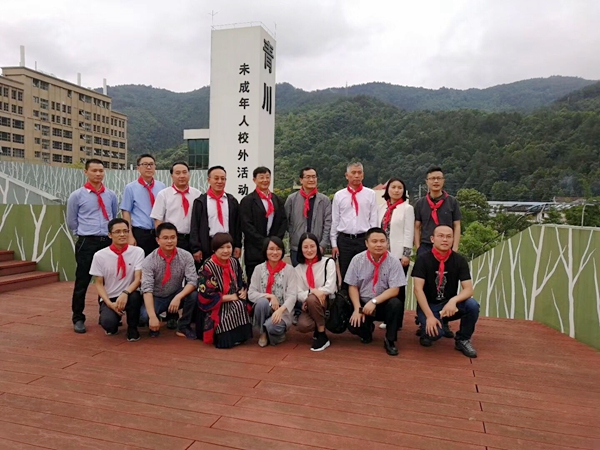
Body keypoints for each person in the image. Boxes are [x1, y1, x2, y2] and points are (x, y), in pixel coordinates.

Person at [67, 158, 118, 334]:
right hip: (87, 242)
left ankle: (107, 314)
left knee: (108, 280)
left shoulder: (110, 195)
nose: (98, 174)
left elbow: (113, 216)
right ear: (86, 172)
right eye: (94, 170)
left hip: (107, 242)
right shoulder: (77, 196)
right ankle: (78, 318)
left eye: (101, 171)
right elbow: (71, 221)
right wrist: (83, 233)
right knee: (82, 280)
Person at [411, 225, 480, 358]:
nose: (445, 240)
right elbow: (418, 290)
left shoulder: (459, 260)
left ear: (453, 239)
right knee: (435, 334)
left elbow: (468, 289)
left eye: (449, 237)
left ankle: (463, 339)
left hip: (449, 305)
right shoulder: (423, 259)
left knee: (472, 305)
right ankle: (425, 325)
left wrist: (453, 301)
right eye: (441, 236)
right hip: (429, 305)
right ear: (432, 239)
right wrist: (430, 316)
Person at [345, 227, 405, 356]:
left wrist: (374, 301)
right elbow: (352, 286)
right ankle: (366, 330)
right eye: (374, 241)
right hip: (363, 303)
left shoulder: (394, 261)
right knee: (354, 326)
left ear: (387, 243)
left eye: (382, 241)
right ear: (366, 243)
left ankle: (390, 340)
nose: (379, 244)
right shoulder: (357, 260)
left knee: (396, 304)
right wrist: (357, 308)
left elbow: (395, 289)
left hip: (382, 303)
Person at [89, 218, 145, 341]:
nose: (122, 234)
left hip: (130, 293)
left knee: (135, 298)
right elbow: (99, 284)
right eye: (118, 232)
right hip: (111, 296)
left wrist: (125, 293)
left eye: (125, 231)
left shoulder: (138, 252)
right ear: (110, 235)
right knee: (108, 324)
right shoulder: (99, 255)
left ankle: (132, 328)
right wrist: (109, 303)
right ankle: (112, 318)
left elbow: (138, 279)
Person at [140, 222, 198, 339]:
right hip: (157, 297)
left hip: (176, 294)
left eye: (173, 237)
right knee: (144, 316)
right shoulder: (149, 261)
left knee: (194, 295)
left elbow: (192, 281)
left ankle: (183, 325)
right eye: (165, 238)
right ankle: (161, 318)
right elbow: (147, 289)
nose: (170, 241)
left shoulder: (186, 256)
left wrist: (178, 297)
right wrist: (152, 317)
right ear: (158, 240)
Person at [197, 233, 252, 348]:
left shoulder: (234, 262)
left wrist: (243, 291)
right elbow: (206, 294)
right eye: (221, 248)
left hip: (234, 297)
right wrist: (230, 297)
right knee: (227, 310)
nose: (226, 251)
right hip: (216, 303)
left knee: (240, 305)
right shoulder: (208, 266)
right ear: (214, 249)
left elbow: (242, 281)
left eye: (228, 247)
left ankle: (239, 337)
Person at [331, 162, 379, 287]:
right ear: (347, 175)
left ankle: (363, 299)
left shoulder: (370, 194)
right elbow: (335, 220)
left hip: (363, 239)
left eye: (359, 173)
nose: (356, 175)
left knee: (365, 273)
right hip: (345, 240)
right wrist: (334, 243)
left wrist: (373, 240)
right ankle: (346, 298)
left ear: (363, 175)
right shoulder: (339, 195)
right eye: (353, 173)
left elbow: (374, 219)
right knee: (346, 273)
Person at [377, 178, 414, 330]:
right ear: (388, 190)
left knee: (398, 288)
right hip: (382, 254)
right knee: (384, 286)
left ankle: (397, 321)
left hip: (398, 255)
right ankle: (387, 317)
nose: (396, 190)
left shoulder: (407, 208)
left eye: (400, 188)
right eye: (393, 187)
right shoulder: (382, 208)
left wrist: (406, 254)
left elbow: (409, 232)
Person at [248, 237, 297, 347]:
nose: (275, 252)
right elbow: (251, 293)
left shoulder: (289, 270)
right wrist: (270, 296)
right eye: (271, 249)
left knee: (272, 326)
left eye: (278, 249)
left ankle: (274, 333)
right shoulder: (258, 269)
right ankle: (263, 333)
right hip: (265, 309)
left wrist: (280, 310)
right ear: (265, 251)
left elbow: (292, 296)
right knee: (262, 302)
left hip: (283, 311)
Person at [240, 167, 287, 281]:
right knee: (255, 282)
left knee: (274, 281)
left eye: (267, 177)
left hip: (274, 250)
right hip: (254, 249)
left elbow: (283, 221)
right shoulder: (248, 201)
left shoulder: (277, 200)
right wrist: (264, 243)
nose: (265, 180)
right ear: (254, 180)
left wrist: (275, 242)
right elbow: (246, 225)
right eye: (261, 177)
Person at [190, 166, 242, 264]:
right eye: (216, 178)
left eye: (223, 179)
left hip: (227, 244)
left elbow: (237, 226)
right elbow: (194, 226)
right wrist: (196, 248)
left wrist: (238, 245)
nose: (220, 181)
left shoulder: (232, 201)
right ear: (209, 180)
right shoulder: (200, 202)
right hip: (207, 244)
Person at [295, 233, 337, 352]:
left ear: (318, 247)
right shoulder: (298, 269)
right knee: (303, 325)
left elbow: (330, 287)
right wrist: (312, 292)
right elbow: (298, 293)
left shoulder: (328, 262)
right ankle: (318, 326)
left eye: (312, 246)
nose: (309, 250)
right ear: (300, 249)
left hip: (327, 301)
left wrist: (312, 295)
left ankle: (322, 334)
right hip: (309, 304)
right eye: (305, 247)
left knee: (312, 298)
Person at [150, 161, 202, 254]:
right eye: (177, 173)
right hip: (172, 239)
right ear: (172, 176)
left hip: (192, 239)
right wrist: (162, 241)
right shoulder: (164, 194)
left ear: (189, 174)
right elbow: (158, 220)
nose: (182, 176)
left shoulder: (197, 194)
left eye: (184, 172)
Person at [284, 167, 331, 266]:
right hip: (297, 248)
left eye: (314, 177)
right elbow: (286, 221)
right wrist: (294, 234)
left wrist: (322, 245)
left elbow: (328, 224)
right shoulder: (292, 199)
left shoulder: (324, 200)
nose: (311, 180)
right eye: (308, 177)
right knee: (298, 274)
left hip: (317, 247)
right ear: (301, 180)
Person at [121, 154, 166, 256]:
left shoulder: (161, 186)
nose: (148, 167)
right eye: (145, 164)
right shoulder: (130, 188)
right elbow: (126, 212)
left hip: (158, 232)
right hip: (140, 233)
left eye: (151, 164)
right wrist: (129, 236)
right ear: (138, 168)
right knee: (140, 262)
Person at [414, 167, 461, 256]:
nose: (436, 181)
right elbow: (416, 227)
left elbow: (457, 225)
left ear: (443, 181)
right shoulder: (420, 203)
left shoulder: (452, 202)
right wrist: (418, 248)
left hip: (446, 245)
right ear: (427, 181)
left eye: (439, 178)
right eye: (432, 178)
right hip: (426, 246)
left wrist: (455, 248)